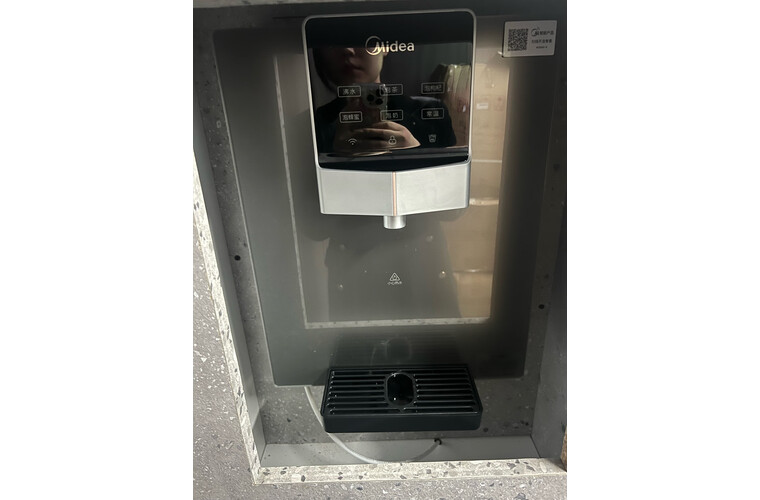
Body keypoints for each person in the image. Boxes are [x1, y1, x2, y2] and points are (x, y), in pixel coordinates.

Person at [293, 45, 463, 322]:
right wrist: (340, 164)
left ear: (385, 49)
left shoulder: (429, 111)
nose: (348, 49)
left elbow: (452, 211)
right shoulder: (311, 127)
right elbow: (314, 228)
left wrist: (415, 156)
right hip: (355, 277)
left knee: (436, 343)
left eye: (362, 39)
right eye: (334, 41)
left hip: (423, 270)